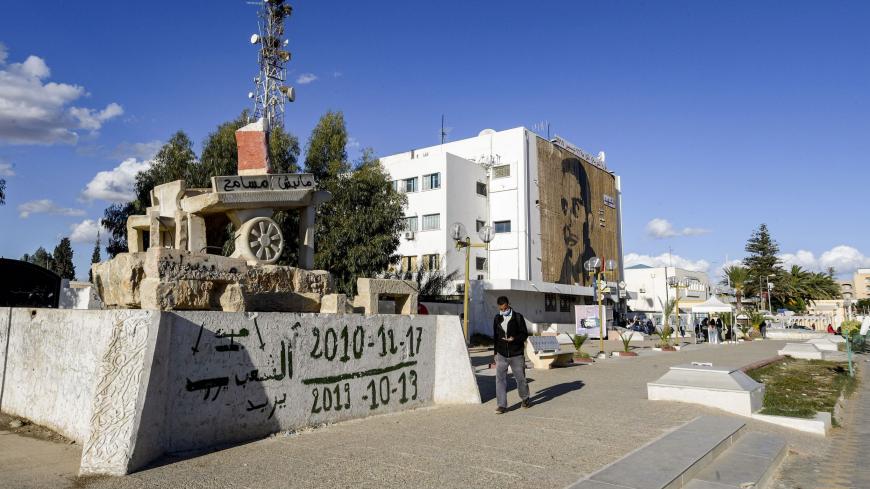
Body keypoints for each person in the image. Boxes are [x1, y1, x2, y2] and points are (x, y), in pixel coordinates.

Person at [493, 296, 531, 414]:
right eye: (501, 309)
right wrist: (495, 353)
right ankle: (501, 405)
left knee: (521, 379)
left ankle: (525, 399)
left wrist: (514, 339)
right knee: (500, 380)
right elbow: (495, 336)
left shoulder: (518, 317)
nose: (503, 311)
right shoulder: (497, 318)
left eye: (505, 309)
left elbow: (524, 334)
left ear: (508, 305)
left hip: (516, 354)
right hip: (501, 354)